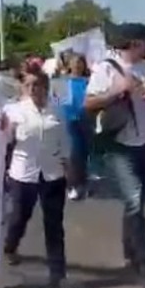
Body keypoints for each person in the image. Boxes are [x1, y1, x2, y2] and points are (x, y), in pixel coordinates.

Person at [84, 22, 145, 288]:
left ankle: (130, 248)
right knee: (134, 201)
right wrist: (118, 91)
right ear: (133, 43)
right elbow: (89, 104)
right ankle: (144, 263)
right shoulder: (105, 68)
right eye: (144, 41)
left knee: (138, 201)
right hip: (120, 145)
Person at [0, 67, 77, 288]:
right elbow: (2, 142)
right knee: (19, 218)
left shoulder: (57, 111)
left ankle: (58, 276)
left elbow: (65, 141)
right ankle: (10, 245)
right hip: (23, 175)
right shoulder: (13, 111)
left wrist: (69, 167)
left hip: (52, 175)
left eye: (38, 84)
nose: (33, 89)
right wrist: (7, 133)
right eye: (29, 85)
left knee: (54, 227)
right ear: (23, 88)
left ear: (46, 87)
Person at [63, 55, 92, 200]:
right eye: (74, 63)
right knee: (73, 153)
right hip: (68, 121)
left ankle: (83, 183)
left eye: (80, 63)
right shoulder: (63, 82)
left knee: (85, 153)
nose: (77, 66)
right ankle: (72, 185)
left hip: (86, 120)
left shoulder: (89, 82)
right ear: (69, 65)